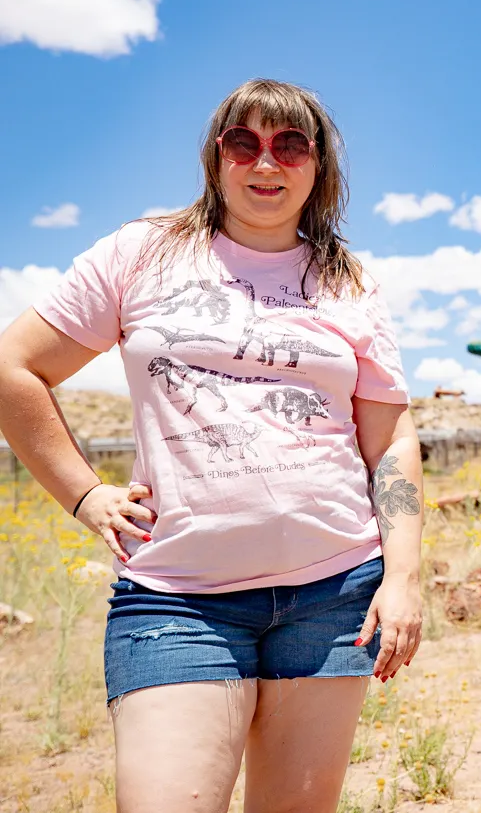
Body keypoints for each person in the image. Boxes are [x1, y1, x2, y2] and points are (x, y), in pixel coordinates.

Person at [0, 79, 424, 812]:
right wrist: (85, 491)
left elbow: (389, 437)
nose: (267, 162)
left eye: (291, 144)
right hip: (179, 600)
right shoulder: (144, 252)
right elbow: (17, 369)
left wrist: (405, 577)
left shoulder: (347, 281)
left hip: (334, 592)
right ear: (215, 156)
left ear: (318, 165)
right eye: (245, 142)